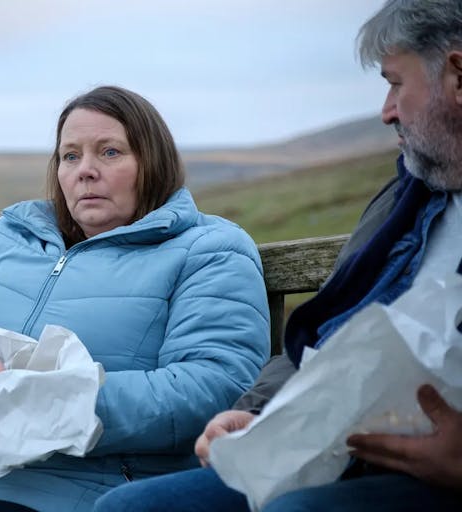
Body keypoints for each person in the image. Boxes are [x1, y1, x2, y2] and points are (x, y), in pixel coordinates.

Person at [93, 1, 462, 511]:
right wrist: (261, 412)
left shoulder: (210, 250)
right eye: (69, 155)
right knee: (126, 508)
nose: (386, 110)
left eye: (396, 82)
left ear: (457, 76)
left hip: (424, 475)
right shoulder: (406, 202)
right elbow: (324, 335)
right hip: (340, 455)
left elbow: (204, 378)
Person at [0, 85, 270, 512]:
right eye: (70, 155)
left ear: (152, 163)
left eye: (110, 152)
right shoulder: (9, 238)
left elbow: (214, 384)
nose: (85, 170)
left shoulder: (208, 249)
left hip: (74, 491)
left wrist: (61, 402)